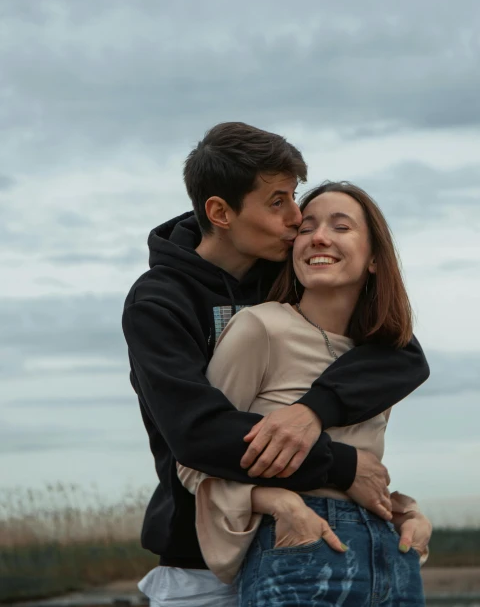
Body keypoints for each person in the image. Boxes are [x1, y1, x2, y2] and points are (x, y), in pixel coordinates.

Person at [122, 123, 430, 606]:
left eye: (294, 197)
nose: (296, 217)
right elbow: (196, 433)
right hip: (202, 555)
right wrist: (342, 465)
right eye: (277, 202)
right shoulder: (160, 301)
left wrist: (313, 411)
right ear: (221, 212)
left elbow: (402, 357)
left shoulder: (290, 273)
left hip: (314, 537)